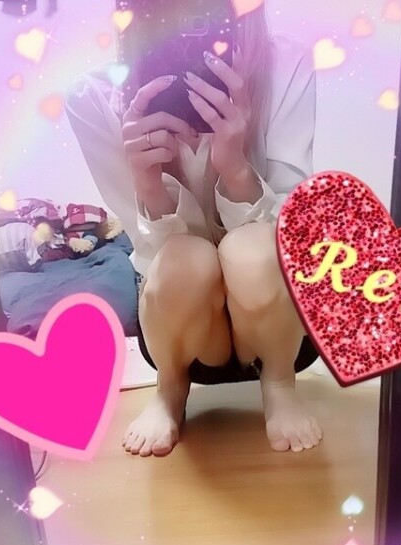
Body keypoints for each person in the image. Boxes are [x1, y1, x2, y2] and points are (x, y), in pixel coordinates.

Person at [65, 0, 322, 456]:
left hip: (280, 331)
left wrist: (235, 167)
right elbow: (153, 252)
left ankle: (280, 383)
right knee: (186, 257)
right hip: (182, 340)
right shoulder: (94, 97)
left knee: (252, 249)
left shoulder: (285, 62)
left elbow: (291, 234)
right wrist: (148, 184)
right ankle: (170, 389)